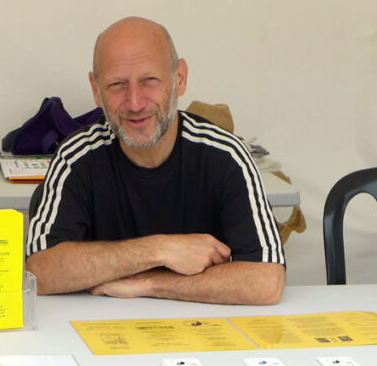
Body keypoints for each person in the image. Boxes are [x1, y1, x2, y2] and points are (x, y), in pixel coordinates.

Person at [25, 16, 285, 305]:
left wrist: (148, 283)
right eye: (116, 84)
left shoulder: (227, 156)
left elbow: (266, 281)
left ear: (180, 78)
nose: (135, 103)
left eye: (149, 81)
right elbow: (41, 271)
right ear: (96, 90)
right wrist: (159, 250)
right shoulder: (75, 158)